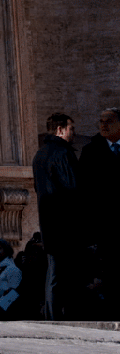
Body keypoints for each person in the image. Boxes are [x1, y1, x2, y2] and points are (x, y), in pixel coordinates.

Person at [33, 111, 84, 319]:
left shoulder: (40, 154)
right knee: (67, 273)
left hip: (48, 222)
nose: (74, 133)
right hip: (65, 222)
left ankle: (54, 316)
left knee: (54, 272)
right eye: (71, 128)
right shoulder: (62, 153)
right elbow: (73, 188)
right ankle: (63, 316)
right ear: (60, 130)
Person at [79, 107, 120, 316]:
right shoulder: (91, 152)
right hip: (103, 225)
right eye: (101, 121)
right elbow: (83, 191)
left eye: (109, 121)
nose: (103, 125)